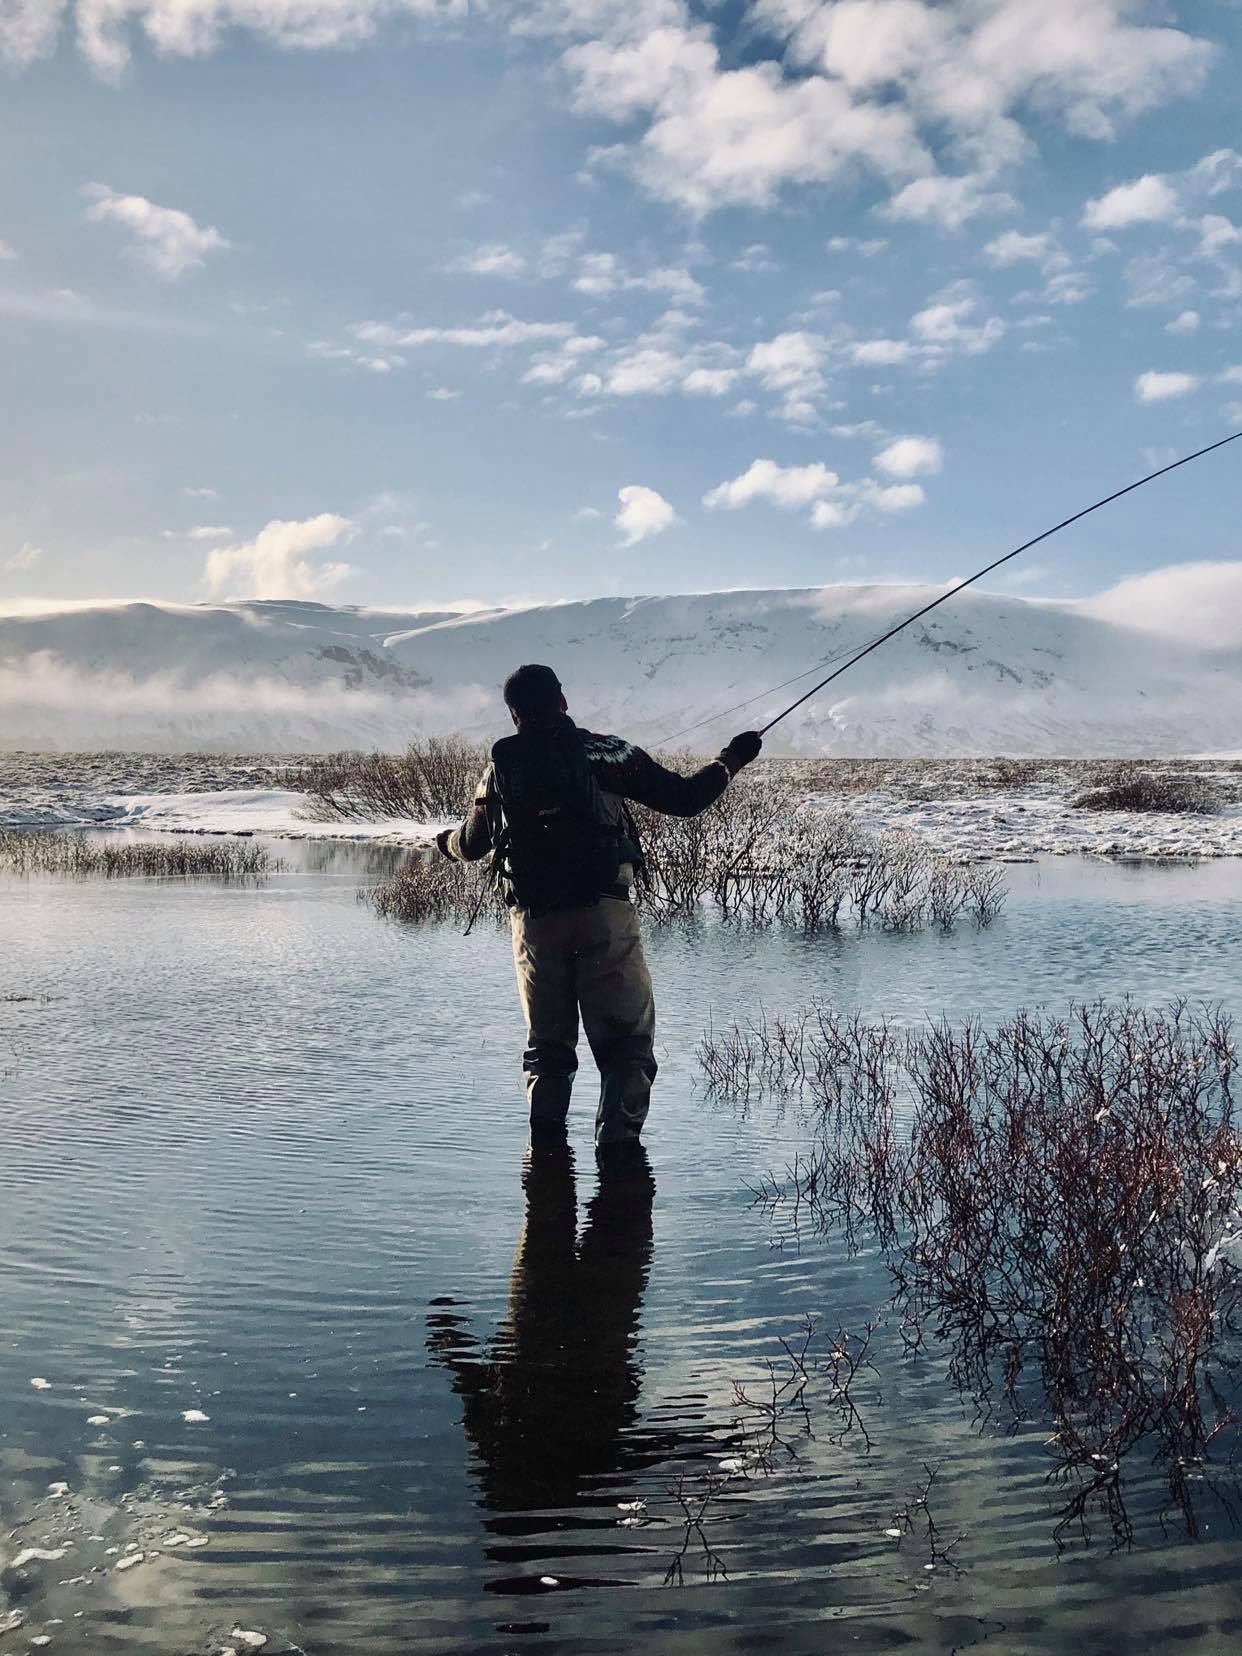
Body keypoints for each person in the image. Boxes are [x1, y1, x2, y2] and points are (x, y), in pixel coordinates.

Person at [436, 663, 761, 1149]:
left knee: (548, 1052)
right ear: (563, 702)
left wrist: (444, 844)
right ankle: (620, 1163)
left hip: (533, 924)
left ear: (513, 716)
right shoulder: (608, 751)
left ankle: (545, 1165)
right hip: (604, 916)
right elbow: (686, 798)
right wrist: (732, 759)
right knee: (626, 1049)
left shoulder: (499, 769)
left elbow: (473, 842)